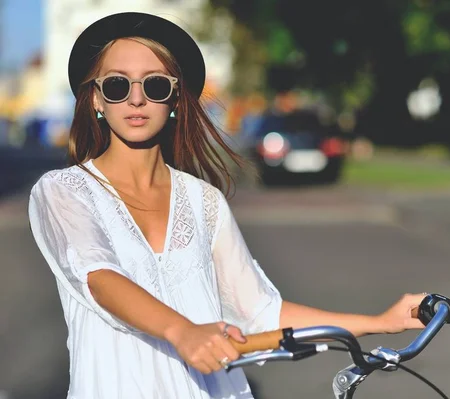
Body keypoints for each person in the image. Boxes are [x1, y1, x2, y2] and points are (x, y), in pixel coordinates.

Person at [28, 12, 427, 399]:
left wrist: (379, 323)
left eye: (155, 85)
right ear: (97, 99)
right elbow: (99, 277)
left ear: (177, 101)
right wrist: (183, 331)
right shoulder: (64, 191)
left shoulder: (204, 202)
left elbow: (262, 314)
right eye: (117, 85)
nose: (136, 98)